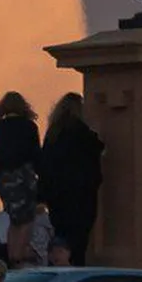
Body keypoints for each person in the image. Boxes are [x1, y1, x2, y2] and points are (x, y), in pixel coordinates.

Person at [38, 92, 104, 266]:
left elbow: (43, 164)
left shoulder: (53, 134)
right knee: (78, 241)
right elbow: (96, 149)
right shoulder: (80, 132)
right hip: (80, 197)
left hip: (57, 198)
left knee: (61, 237)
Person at [0, 91, 41, 267]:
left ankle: (11, 254)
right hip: (23, 177)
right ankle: (18, 254)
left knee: (14, 218)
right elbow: (36, 155)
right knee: (27, 217)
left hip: (3, 180)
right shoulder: (29, 127)